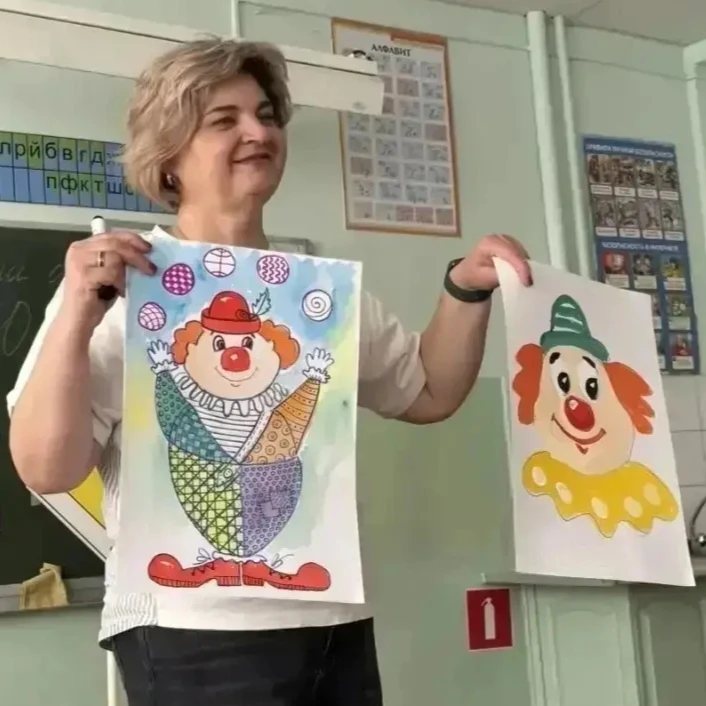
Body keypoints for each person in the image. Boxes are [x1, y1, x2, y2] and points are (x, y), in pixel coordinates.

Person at [7, 38, 531, 706]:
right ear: (169, 157)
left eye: (265, 115)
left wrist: (466, 288)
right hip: (192, 632)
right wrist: (79, 312)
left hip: (333, 618)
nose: (257, 132)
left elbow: (428, 390)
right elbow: (47, 468)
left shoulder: (316, 296)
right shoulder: (124, 282)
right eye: (223, 120)